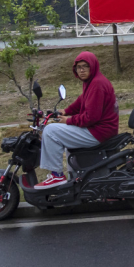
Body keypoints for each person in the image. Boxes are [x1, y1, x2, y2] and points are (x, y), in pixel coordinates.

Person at [35, 51, 118, 189]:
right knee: (65, 138)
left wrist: (68, 120)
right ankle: (76, 179)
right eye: (78, 67)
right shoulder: (91, 81)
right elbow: (82, 100)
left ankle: (57, 176)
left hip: (98, 132)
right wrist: (66, 111)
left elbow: (91, 118)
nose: (82, 70)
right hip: (100, 130)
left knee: (50, 131)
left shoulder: (97, 84)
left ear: (93, 66)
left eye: (85, 66)